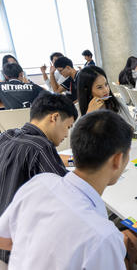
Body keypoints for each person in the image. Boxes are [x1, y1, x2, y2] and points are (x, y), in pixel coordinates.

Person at [0, 110, 137, 270]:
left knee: (134, 236)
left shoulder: (40, 182)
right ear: (117, 160)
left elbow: (4, 240)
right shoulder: (102, 236)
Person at [0, 92, 78, 264]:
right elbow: (68, 195)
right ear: (55, 117)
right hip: (18, 251)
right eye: (68, 127)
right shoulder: (41, 147)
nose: (66, 134)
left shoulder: (7, 136)